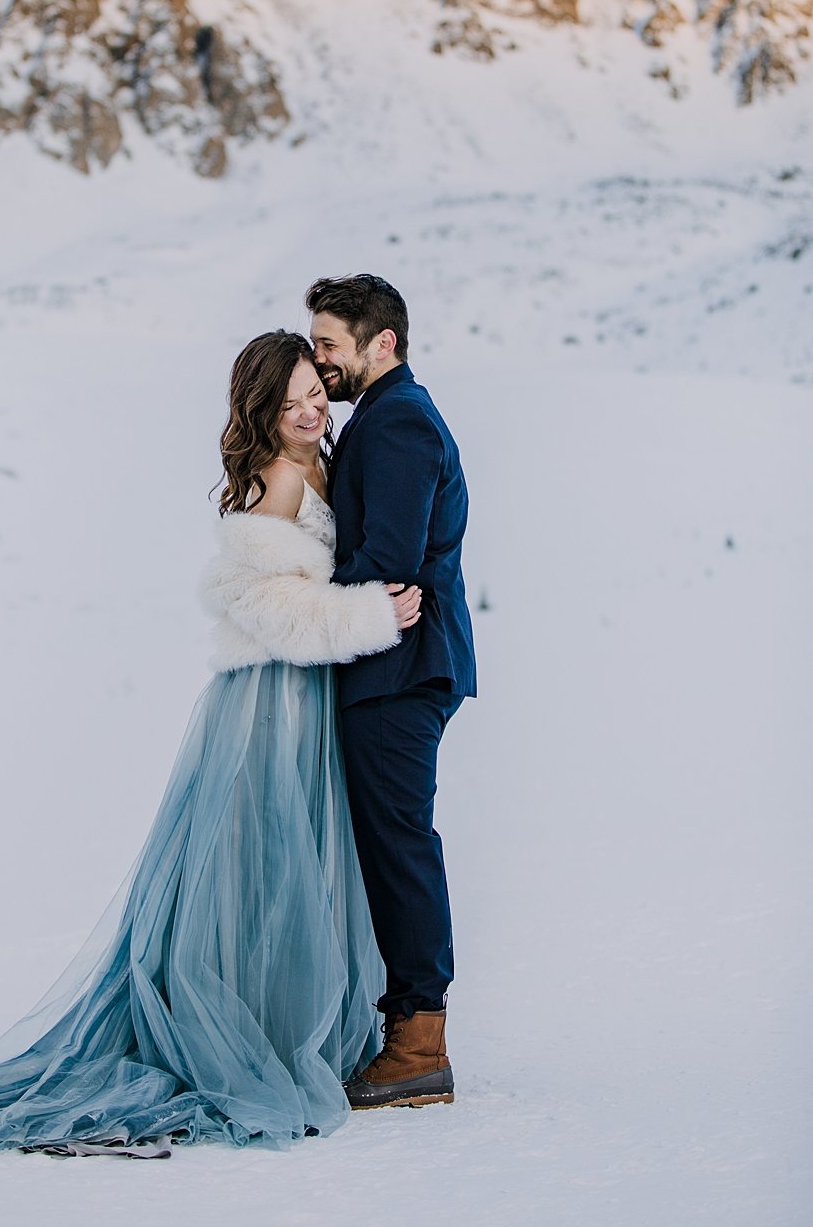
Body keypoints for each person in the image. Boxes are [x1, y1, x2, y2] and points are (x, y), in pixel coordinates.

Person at [0, 331, 421, 1156]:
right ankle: (249, 1036)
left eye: (313, 391)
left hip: (298, 696)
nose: (308, 408)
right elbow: (263, 606)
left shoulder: (315, 464)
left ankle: (277, 1022)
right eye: (290, 397)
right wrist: (371, 616)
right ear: (261, 408)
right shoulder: (283, 478)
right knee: (261, 868)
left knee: (284, 868)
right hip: (271, 699)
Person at [306, 275, 477, 1111]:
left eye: (330, 344)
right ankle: (407, 1031)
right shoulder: (379, 417)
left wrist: (298, 594)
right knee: (387, 841)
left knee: (398, 843)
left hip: (400, 669)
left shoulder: (399, 418)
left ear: (384, 343)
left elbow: (390, 557)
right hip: (390, 665)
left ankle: (418, 1042)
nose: (319, 360)